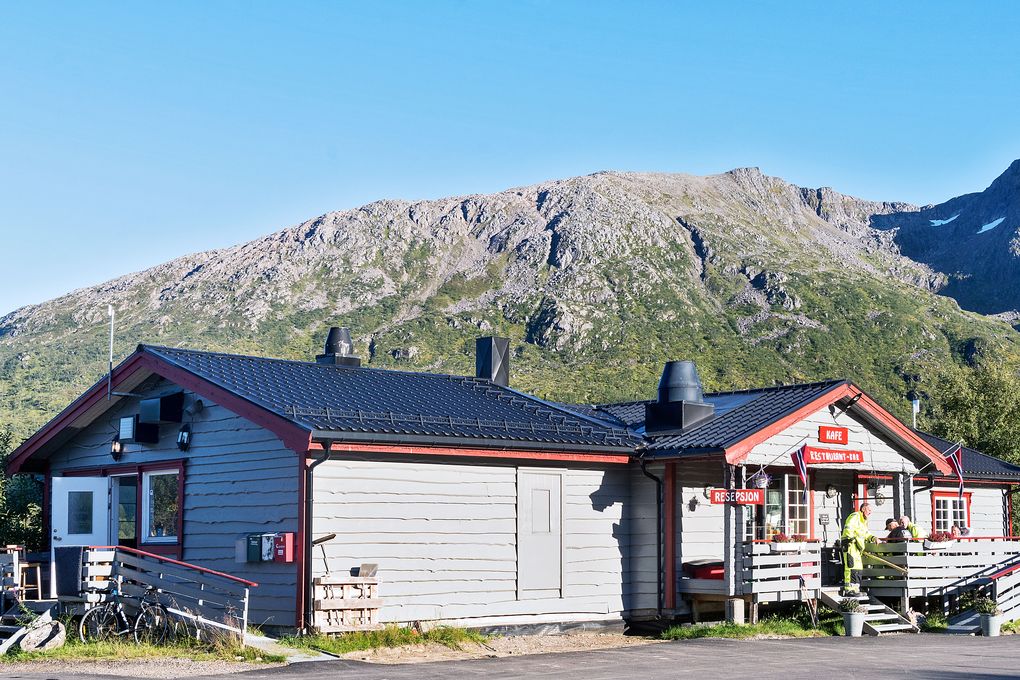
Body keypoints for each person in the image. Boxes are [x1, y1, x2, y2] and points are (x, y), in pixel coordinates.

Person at [841, 502, 876, 595]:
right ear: (863, 509)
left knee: (858, 568)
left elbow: (865, 533)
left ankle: (856, 589)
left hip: (857, 548)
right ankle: (849, 589)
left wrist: (873, 538)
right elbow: (848, 527)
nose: (870, 512)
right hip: (850, 545)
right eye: (869, 510)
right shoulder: (855, 516)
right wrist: (851, 539)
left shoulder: (863, 520)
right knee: (851, 567)